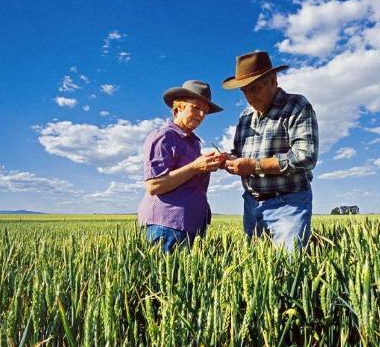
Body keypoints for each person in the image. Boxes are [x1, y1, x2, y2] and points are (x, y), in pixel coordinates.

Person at [221, 51, 319, 250]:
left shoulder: (297, 106)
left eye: (254, 89)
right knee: (258, 267)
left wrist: (254, 166)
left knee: (289, 268)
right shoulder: (245, 117)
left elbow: (305, 156)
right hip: (251, 203)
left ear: (273, 81)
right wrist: (229, 160)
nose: (249, 96)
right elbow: (240, 153)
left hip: (287, 203)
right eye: (244, 91)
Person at [137, 80, 226, 252]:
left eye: (205, 112)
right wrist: (196, 167)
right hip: (167, 227)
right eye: (195, 108)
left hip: (189, 226)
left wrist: (208, 164)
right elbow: (153, 185)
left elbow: (189, 175)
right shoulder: (163, 136)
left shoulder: (192, 141)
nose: (201, 115)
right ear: (178, 107)